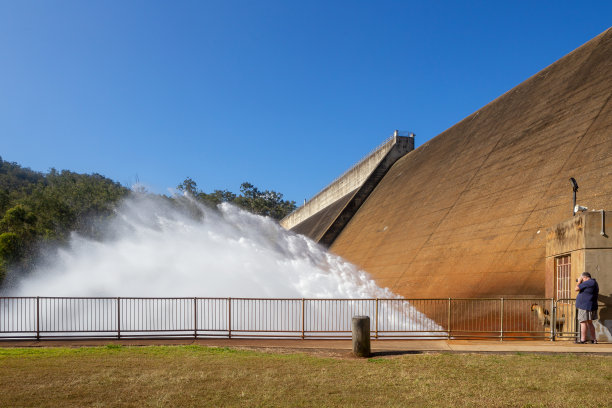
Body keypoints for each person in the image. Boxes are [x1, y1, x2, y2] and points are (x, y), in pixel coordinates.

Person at [575, 272, 599, 344]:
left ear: (584, 277)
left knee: (583, 322)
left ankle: (583, 339)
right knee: (589, 323)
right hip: (590, 305)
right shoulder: (594, 282)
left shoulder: (588, 282)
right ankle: (593, 339)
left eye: (582, 278)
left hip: (584, 306)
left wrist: (579, 282)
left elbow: (576, 288)